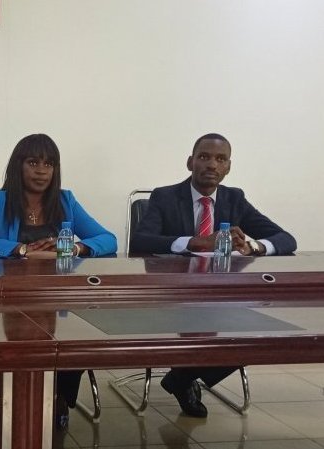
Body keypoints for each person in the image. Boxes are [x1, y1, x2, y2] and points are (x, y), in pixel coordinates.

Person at [131, 132, 296, 417]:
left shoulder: (235, 198)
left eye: (221, 159)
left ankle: (181, 377)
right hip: (173, 294)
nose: (212, 164)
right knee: (215, 322)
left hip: (220, 294)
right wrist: (194, 242)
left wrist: (254, 247)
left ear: (228, 167)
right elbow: (140, 240)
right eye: (204, 157)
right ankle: (184, 376)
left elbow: (286, 239)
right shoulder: (165, 196)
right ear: (190, 162)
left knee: (254, 330)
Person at [0, 133, 117, 427]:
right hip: (12, 298)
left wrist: (74, 248)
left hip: (58, 298)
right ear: (18, 166)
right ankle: (16, 399)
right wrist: (21, 250)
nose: (42, 171)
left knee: (75, 339)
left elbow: (109, 239)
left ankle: (61, 397)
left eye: (49, 164)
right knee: (19, 345)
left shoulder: (66, 200)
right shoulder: (0, 201)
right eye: (33, 162)